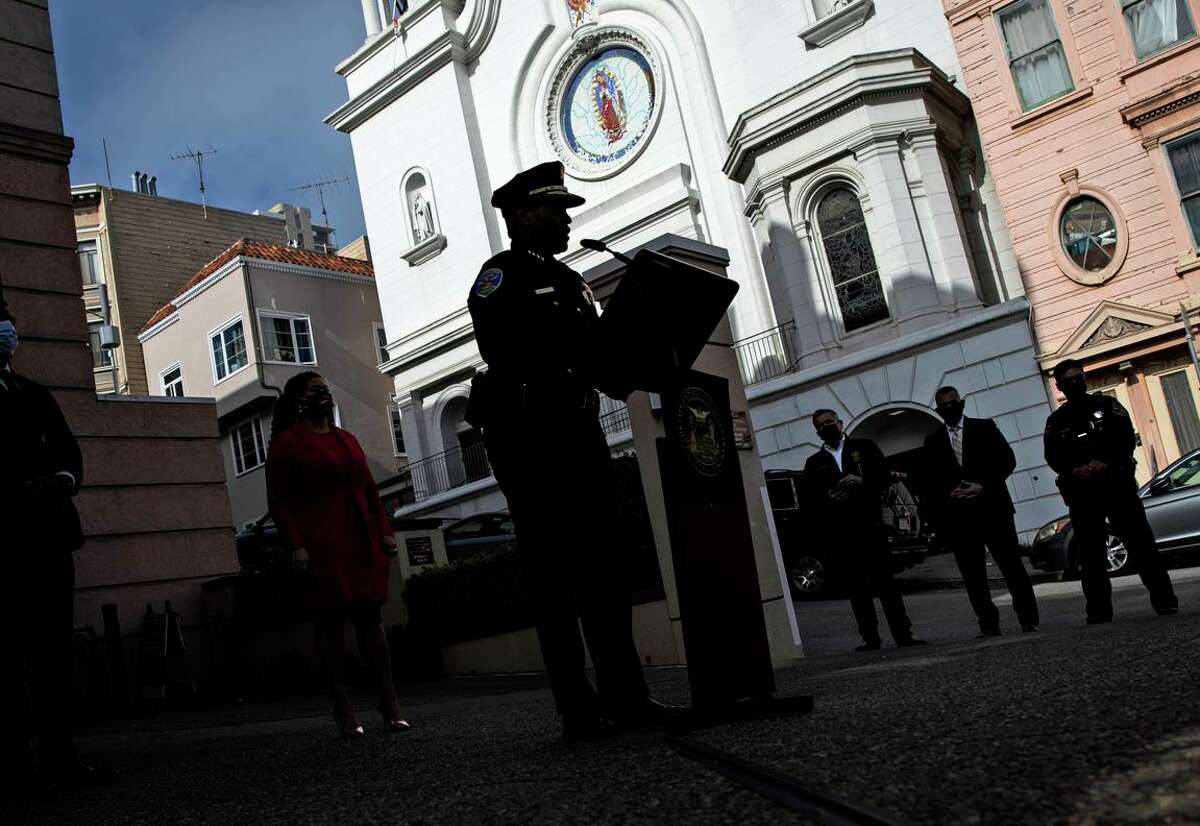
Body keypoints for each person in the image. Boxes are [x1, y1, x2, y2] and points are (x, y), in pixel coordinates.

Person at [466, 161, 674, 742]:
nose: (565, 219)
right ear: (522, 214)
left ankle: (627, 697)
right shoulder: (500, 276)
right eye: (556, 209)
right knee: (554, 575)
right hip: (530, 435)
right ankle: (578, 710)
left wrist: (635, 350)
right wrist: (586, 348)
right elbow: (505, 346)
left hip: (580, 430)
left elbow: (602, 365)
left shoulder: (573, 281)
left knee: (604, 570)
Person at [0, 302, 118, 792]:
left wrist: (62, 479)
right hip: (5, 544)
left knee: (53, 654)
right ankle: (13, 765)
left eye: (7, 318)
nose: (7, 328)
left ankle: (58, 755)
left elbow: (70, 452)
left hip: (49, 539)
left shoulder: (33, 393)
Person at [265, 371, 408, 737]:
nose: (324, 395)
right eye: (315, 391)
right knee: (330, 622)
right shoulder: (287, 444)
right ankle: (342, 704)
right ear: (299, 400)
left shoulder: (348, 439)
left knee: (370, 620)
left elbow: (370, 491)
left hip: (360, 541)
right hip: (321, 546)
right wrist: (296, 544)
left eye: (326, 389)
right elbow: (279, 501)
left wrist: (385, 533)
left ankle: (389, 701)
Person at [1043, 359, 1178, 623]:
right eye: (1069, 381)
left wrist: (1105, 461)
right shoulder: (1057, 421)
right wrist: (1073, 470)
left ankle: (1165, 601)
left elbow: (1126, 439)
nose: (1075, 384)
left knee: (1141, 544)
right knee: (1091, 554)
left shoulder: (1106, 405)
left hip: (1115, 485)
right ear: (1059, 386)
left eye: (1078, 378)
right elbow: (1053, 455)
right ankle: (1099, 610)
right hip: (1083, 494)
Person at [803, 409, 926, 651]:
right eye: (821, 425)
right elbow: (811, 501)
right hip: (842, 535)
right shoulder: (814, 463)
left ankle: (903, 634)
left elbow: (883, 477)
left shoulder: (865, 447)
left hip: (871, 528)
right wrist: (828, 495)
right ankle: (870, 638)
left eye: (830, 422)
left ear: (840, 423)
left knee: (886, 584)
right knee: (857, 589)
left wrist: (863, 482)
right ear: (817, 431)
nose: (826, 427)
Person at [922, 386, 1040, 637]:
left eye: (953, 403)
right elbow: (929, 479)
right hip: (960, 518)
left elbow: (1007, 460)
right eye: (944, 406)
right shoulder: (932, 441)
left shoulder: (985, 428)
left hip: (994, 510)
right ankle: (988, 623)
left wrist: (983, 485)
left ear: (962, 403)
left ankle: (1028, 619)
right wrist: (947, 493)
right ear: (938, 410)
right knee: (973, 575)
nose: (950, 409)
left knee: (1011, 566)